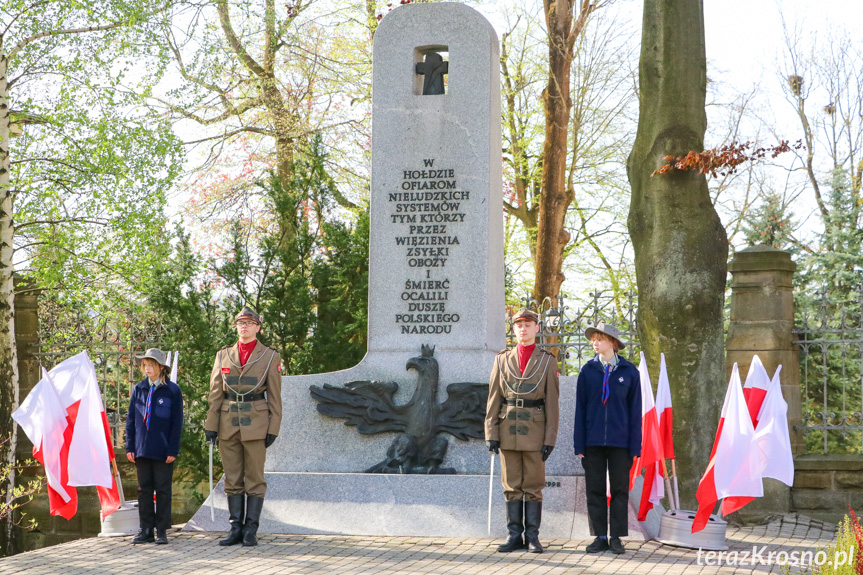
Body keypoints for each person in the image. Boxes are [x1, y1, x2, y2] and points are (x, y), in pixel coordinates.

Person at [485, 308, 560, 554]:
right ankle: (514, 535)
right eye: (518, 325)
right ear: (514, 328)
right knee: (511, 485)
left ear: (537, 328)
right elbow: (494, 400)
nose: (523, 328)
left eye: (528, 324)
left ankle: (533, 537)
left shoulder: (548, 360)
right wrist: (491, 434)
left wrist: (550, 438)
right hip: (507, 429)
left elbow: (552, 403)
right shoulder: (501, 359)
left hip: (535, 432)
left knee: (534, 486)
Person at [206, 306, 282, 547]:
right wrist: (211, 425)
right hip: (228, 423)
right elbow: (215, 394)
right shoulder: (222, 356)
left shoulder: (270, 356)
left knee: (255, 479)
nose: (244, 326)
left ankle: (251, 529)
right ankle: (235, 528)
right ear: (236, 326)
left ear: (258, 327)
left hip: (257, 423)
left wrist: (273, 427)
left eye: (249, 322)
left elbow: (275, 396)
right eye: (240, 322)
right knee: (232, 478)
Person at [573, 322, 641, 555]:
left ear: (613, 342)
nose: (595, 342)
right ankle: (599, 536)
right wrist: (578, 444)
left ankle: (616, 538)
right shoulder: (587, 371)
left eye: (600, 338)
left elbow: (635, 412)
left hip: (620, 443)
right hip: (592, 443)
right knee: (595, 490)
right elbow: (580, 410)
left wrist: (635, 446)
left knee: (620, 490)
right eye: (593, 339)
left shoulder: (630, 372)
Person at [126, 348, 184, 545]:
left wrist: (172, 450)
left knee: (163, 489)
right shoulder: (139, 389)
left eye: (151, 365)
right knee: (144, 490)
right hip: (142, 448)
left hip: (162, 449)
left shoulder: (172, 391)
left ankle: (162, 531)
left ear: (161, 367)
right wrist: (130, 446)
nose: (147, 368)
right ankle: (146, 529)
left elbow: (177, 424)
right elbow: (131, 421)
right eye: (145, 365)